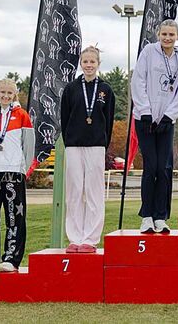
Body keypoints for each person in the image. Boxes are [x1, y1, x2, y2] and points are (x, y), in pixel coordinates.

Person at [132, 19, 178, 234]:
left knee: (164, 170)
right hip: (145, 119)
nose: (167, 38)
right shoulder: (148, 52)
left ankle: (161, 216)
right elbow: (138, 80)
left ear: (177, 36)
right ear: (159, 35)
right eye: (164, 34)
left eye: (171, 35)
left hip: (166, 120)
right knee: (151, 167)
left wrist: (169, 115)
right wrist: (145, 110)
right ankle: (146, 216)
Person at [60, 46, 116, 253]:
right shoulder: (71, 88)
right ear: (80, 64)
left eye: (93, 61)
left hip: (96, 145)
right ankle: (75, 238)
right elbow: (64, 117)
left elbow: (108, 120)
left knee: (93, 192)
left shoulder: (106, 90)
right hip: (74, 144)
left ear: (98, 64)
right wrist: (69, 141)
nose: (89, 65)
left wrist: (102, 141)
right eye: (85, 62)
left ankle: (90, 239)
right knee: (74, 191)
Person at [0, 78, 34, 272]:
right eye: (2, 92)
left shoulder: (22, 116)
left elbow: (28, 145)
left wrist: (23, 168)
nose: (5, 96)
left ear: (15, 94)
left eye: (9, 93)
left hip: (14, 172)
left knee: (14, 217)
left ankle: (11, 258)